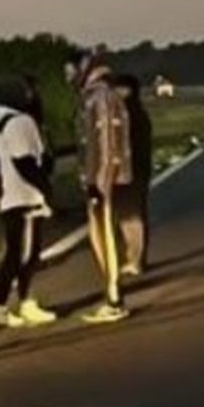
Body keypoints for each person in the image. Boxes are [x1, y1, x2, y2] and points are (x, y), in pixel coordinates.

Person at [0, 76, 59, 328]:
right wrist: (45, 188)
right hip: (25, 196)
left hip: (9, 195)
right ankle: (14, 304)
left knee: (16, 253)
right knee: (25, 254)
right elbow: (25, 161)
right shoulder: (19, 122)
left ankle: (1, 305)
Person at [68, 50, 133, 323]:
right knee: (101, 236)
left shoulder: (101, 97)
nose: (71, 77)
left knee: (105, 234)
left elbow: (106, 143)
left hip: (101, 179)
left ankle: (114, 297)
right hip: (97, 178)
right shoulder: (96, 95)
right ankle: (112, 292)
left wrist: (99, 181)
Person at [112, 73, 153, 277]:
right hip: (136, 170)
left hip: (132, 171)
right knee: (130, 215)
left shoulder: (129, 114)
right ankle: (134, 257)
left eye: (118, 89)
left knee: (132, 216)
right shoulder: (136, 112)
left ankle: (136, 259)